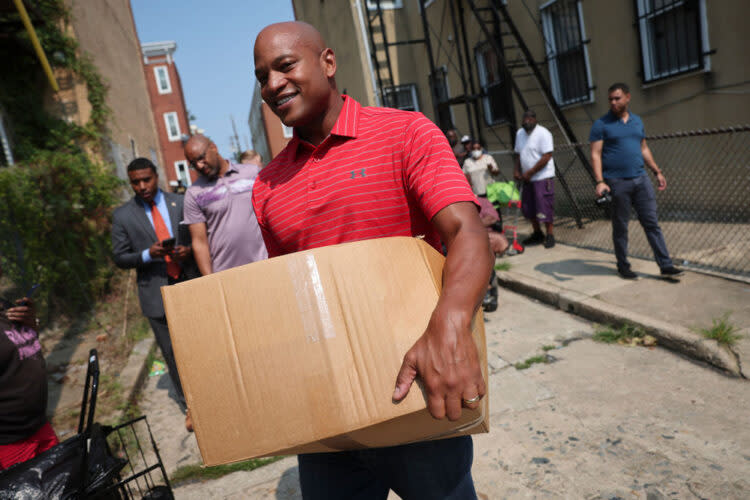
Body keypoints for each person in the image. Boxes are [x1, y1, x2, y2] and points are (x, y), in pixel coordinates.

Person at [252, 21, 491, 499]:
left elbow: (466, 232)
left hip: (416, 390)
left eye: (285, 66)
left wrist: (450, 323)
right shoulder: (267, 185)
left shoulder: (405, 133)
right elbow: (288, 297)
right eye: (262, 76)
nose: (273, 84)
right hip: (327, 417)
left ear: (328, 62)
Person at [111, 158, 196, 430]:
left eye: (146, 180)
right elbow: (120, 257)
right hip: (155, 292)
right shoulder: (123, 215)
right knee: (172, 353)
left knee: (201, 341)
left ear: (156, 176)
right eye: (135, 182)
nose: (142, 186)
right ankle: (190, 404)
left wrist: (189, 251)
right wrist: (148, 254)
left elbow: (199, 236)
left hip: (188, 281)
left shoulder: (180, 202)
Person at [590, 83, 683, 279]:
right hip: (616, 182)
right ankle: (623, 266)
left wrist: (657, 171)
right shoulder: (601, 124)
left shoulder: (637, 121)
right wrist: (600, 181)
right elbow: (596, 154)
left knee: (651, 223)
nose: (613, 102)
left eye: (617, 98)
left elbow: (644, 149)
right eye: (611, 99)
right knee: (621, 226)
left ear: (627, 98)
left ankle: (665, 265)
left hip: (641, 180)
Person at [183, 135, 267, 276]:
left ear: (213, 147)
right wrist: (211, 281)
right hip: (226, 275)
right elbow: (199, 242)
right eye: (193, 164)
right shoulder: (193, 193)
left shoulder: (252, 173)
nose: (199, 166)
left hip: (266, 264)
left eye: (201, 158)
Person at [0, 268, 58, 470]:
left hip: (39, 425)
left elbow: (22, 350)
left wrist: (31, 325)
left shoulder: (7, 308)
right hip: (11, 442)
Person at [513, 109, 556, 249]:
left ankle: (550, 235)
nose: (527, 122)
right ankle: (537, 233)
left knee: (544, 207)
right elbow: (519, 154)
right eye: (524, 120)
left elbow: (547, 156)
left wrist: (531, 172)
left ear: (535, 120)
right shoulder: (520, 133)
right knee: (529, 207)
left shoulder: (543, 133)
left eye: (530, 119)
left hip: (542, 177)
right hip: (527, 178)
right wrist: (517, 170)